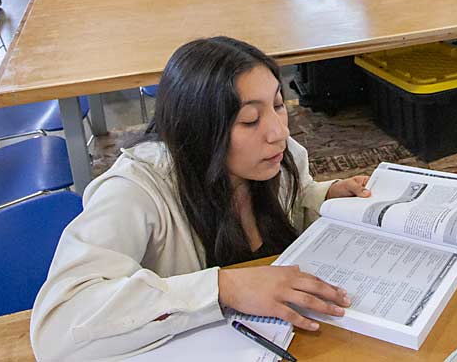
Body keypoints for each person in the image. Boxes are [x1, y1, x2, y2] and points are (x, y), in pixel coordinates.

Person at [30, 37, 373, 361]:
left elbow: (291, 204)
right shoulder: (135, 190)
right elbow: (56, 327)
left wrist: (323, 196)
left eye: (278, 105)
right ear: (199, 129)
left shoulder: (278, 161)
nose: (278, 131)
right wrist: (222, 288)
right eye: (250, 120)